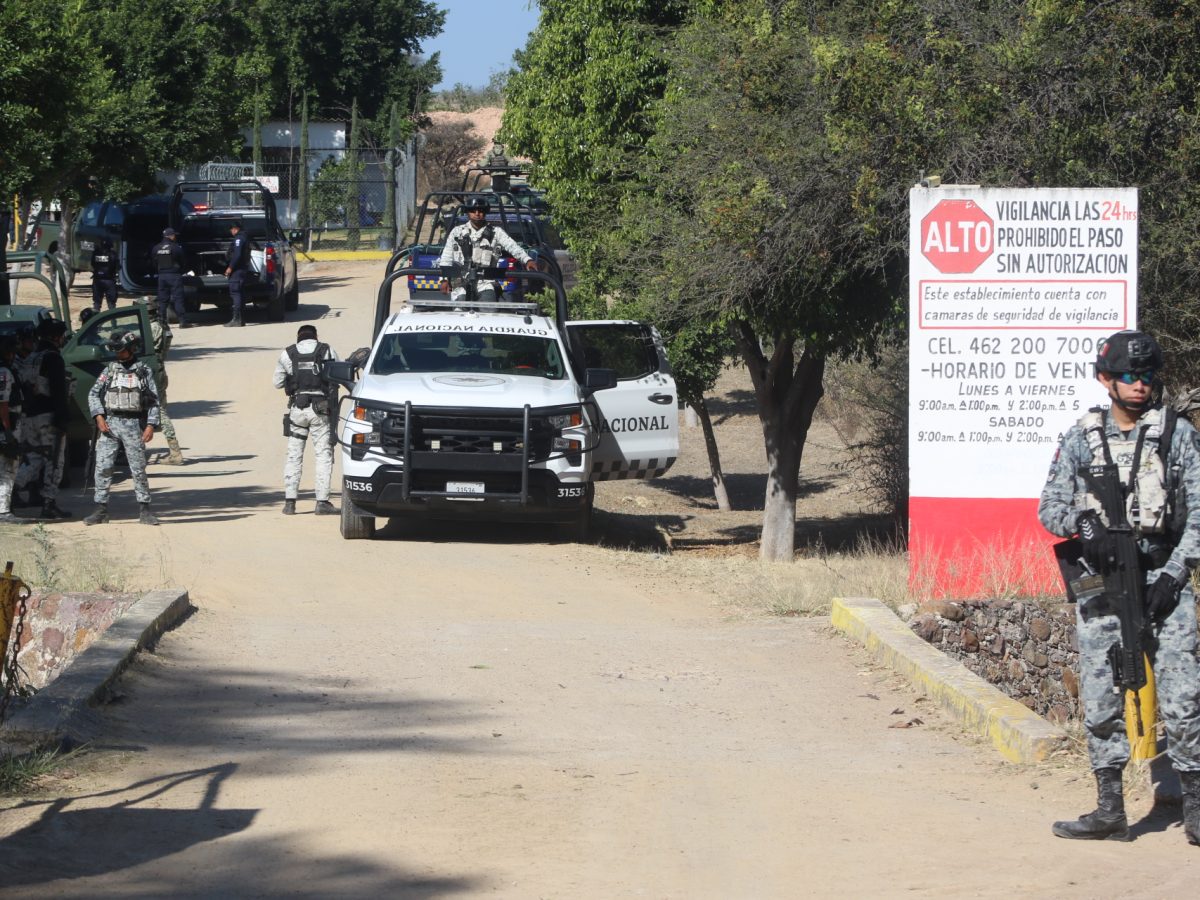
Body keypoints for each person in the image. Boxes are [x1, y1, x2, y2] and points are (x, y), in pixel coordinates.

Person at [1039, 330, 1200, 844]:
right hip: (1104, 582)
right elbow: (1050, 509)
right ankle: (1110, 806)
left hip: (1163, 577)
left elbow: (1198, 513)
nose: (1139, 385)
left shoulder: (1178, 435)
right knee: (1104, 695)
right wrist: (1087, 527)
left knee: (1183, 697)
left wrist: (1175, 574)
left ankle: (1194, 808)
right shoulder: (1079, 437)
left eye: (1148, 376)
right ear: (1105, 379)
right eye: (1129, 376)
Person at [84, 331, 161, 525]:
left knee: (138, 468)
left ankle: (145, 510)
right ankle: (100, 510)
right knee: (103, 467)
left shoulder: (143, 371)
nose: (119, 354)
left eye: (122, 350)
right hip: (110, 424)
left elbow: (153, 401)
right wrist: (99, 416)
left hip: (133, 425)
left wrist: (150, 425)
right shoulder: (109, 370)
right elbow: (93, 394)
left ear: (132, 348)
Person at [273, 324, 339, 515]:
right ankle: (322, 502)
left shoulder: (288, 353)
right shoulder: (326, 350)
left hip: (297, 409)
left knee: (294, 455)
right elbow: (338, 375)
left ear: (298, 338)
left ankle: (290, 503)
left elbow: (277, 383)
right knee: (323, 455)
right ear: (316, 336)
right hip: (321, 411)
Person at [14, 318, 72, 519]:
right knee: (54, 461)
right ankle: (49, 504)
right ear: (56, 337)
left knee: (34, 459)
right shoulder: (53, 358)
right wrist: (62, 419)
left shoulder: (31, 357)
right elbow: (58, 392)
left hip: (29, 417)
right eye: (62, 336)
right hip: (49, 418)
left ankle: (10, 490)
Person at [438, 197, 538, 304]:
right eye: (473, 210)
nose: (477, 213)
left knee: (488, 309)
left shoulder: (496, 232)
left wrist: (527, 260)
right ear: (467, 213)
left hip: (486, 283)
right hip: (462, 283)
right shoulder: (457, 232)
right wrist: (444, 280)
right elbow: (446, 257)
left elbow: (513, 247)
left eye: (481, 211)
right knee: (460, 311)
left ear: (485, 213)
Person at [141, 298, 184, 465]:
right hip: (157, 370)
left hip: (153, 372)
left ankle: (175, 453)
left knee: (160, 412)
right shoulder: (160, 326)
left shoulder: (153, 328)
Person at [0, 337, 24, 524]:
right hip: (7, 423)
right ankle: (4, 512)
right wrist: (8, 432)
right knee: (9, 466)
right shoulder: (4, 372)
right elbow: (3, 405)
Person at [152, 227, 191, 328]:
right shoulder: (176, 247)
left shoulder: (156, 248)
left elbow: (154, 262)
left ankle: (162, 322)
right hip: (174, 275)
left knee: (162, 300)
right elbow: (183, 261)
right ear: (171, 236)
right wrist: (181, 270)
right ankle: (183, 322)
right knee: (178, 299)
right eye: (174, 235)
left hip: (162, 276)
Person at [224, 219, 251, 327]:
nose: (231, 232)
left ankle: (237, 319)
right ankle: (241, 319)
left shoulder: (239, 238)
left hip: (237, 270)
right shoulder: (244, 237)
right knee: (240, 293)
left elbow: (237, 255)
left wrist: (230, 267)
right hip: (242, 269)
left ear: (235, 229)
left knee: (235, 293)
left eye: (231, 229)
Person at [91, 237, 119, 311]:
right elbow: (117, 266)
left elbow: (92, 264)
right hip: (109, 281)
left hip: (97, 280)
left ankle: (96, 321)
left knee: (96, 303)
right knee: (111, 304)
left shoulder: (96, 253)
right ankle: (113, 321)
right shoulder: (113, 254)